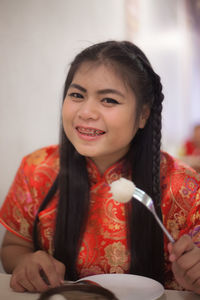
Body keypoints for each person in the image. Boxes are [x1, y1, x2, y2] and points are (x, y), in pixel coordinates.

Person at [0, 41, 200, 295]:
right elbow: (12, 248)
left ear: (143, 115)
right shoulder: (37, 168)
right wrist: (24, 263)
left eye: (108, 100)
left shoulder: (184, 187)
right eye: (77, 95)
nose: (86, 112)